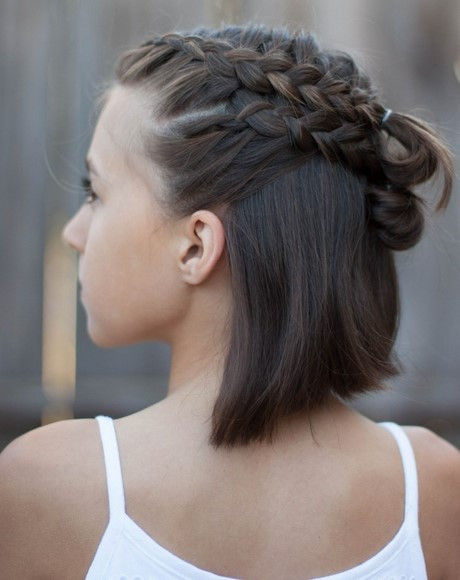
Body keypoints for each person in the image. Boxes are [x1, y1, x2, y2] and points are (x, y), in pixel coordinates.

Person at [1, 24, 459, 579]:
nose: (75, 232)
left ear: (196, 245)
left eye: (96, 193)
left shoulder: (51, 486)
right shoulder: (436, 490)